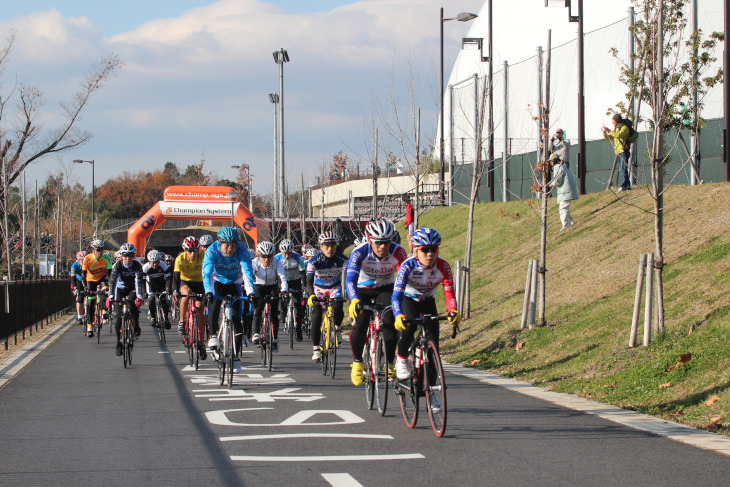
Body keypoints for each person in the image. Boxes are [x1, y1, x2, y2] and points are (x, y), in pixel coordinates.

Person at [391, 228, 460, 380]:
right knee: (407, 326)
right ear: (415, 251)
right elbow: (396, 295)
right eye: (425, 250)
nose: (430, 254)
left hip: (428, 301)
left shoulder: (443, 266)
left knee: (433, 347)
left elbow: (449, 293)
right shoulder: (407, 266)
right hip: (408, 299)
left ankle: (433, 390)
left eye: (433, 249)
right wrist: (398, 315)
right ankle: (402, 359)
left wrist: (453, 310)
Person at [346, 219, 407, 386]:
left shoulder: (398, 252)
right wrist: (354, 299)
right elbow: (350, 279)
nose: (383, 246)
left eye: (387, 242)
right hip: (361, 290)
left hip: (386, 289)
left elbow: (404, 277)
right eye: (378, 242)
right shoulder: (359, 252)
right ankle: (358, 362)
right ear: (369, 240)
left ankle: (389, 362)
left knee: (389, 320)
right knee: (361, 322)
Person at [202, 227, 255, 373]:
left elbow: (247, 272)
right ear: (220, 243)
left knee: (237, 318)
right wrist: (208, 292)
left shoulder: (242, 251)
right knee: (215, 302)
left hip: (234, 283)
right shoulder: (212, 251)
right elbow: (206, 273)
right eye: (226, 245)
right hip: (217, 281)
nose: (230, 249)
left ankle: (236, 357)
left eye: (233, 245)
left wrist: (250, 292)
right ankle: (213, 335)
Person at [306, 231, 348, 362]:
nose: (330, 249)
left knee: (338, 306)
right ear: (320, 247)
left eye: (333, 246)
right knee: (317, 315)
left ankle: (337, 329)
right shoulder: (314, 261)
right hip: (319, 290)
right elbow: (308, 280)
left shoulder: (343, 260)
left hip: (334, 288)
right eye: (326, 246)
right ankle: (316, 349)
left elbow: (347, 279)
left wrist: (347, 293)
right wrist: (311, 294)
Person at [173, 236, 207, 360]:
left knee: (200, 310)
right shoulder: (180, 258)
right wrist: (175, 291)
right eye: (190, 251)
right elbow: (176, 277)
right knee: (186, 295)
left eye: (195, 251)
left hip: (199, 283)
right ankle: (182, 321)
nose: (193, 254)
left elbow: (209, 272)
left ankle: (201, 343)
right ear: (185, 250)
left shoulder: (203, 256)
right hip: (185, 282)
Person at [109, 243, 145, 356]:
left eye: (130, 256)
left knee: (132, 304)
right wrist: (110, 296)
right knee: (119, 315)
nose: (128, 258)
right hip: (120, 289)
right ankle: (118, 342)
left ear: (134, 256)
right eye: (125, 256)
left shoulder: (137, 266)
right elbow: (112, 281)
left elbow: (138, 282)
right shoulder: (117, 265)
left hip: (132, 289)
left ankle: (136, 325)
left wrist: (139, 296)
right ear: (121, 256)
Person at [251, 241, 288, 351]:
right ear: (259, 256)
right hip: (258, 286)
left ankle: (275, 338)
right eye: (264, 257)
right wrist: (250, 292)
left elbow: (282, 277)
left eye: (269, 256)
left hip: (272, 287)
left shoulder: (277, 262)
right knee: (258, 308)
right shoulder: (254, 262)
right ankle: (256, 333)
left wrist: (284, 291)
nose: (267, 259)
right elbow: (249, 277)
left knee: (274, 313)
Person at [274, 239, 306, 342]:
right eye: (284, 253)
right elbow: (274, 273)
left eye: (289, 253)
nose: (287, 255)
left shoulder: (298, 258)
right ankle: (283, 311)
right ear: (281, 252)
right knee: (283, 297)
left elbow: (302, 272)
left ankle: (299, 331)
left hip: (295, 280)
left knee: (298, 306)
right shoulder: (277, 258)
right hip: (283, 281)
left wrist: (304, 286)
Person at [81, 239, 112, 337]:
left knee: (105, 292)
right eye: (97, 250)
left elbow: (110, 273)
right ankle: (90, 326)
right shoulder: (87, 258)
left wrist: (110, 284)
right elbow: (83, 274)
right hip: (91, 280)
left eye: (101, 249)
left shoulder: (107, 258)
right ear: (93, 250)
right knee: (91, 304)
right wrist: (85, 287)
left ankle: (104, 311)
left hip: (102, 278)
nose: (100, 252)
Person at [142, 250, 173, 329]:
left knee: (164, 301)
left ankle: (166, 318)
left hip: (162, 285)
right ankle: (152, 317)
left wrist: (169, 288)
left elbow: (169, 278)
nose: (155, 264)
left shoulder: (164, 265)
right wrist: (144, 291)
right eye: (153, 262)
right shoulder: (145, 267)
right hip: (151, 286)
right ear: (149, 262)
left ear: (159, 261)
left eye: (156, 262)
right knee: (151, 300)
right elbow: (142, 281)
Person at [548, 152, 579, 230]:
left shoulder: (557, 167)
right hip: (566, 189)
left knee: (563, 208)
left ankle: (565, 225)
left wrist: (552, 184)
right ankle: (570, 221)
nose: (550, 162)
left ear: (554, 160)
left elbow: (558, 179)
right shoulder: (562, 166)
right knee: (564, 207)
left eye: (551, 161)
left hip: (566, 190)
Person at [602, 113, 631, 192]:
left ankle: (624, 186)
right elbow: (610, 138)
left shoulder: (624, 128)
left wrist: (609, 130)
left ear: (617, 121)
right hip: (618, 152)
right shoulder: (616, 129)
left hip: (623, 151)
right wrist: (605, 133)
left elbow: (618, 135)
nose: (612, 122)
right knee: (622, 169)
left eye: (613, 121)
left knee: (623, 169)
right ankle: (627, 186)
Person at [70, 251, 86, 326]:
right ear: (78, 260)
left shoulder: (88, 265)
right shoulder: (74, 266)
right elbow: (72, 278)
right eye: (82, 260)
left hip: (86, 280)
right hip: (78, 281)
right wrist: (75, 287)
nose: (84, 262)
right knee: (80, 298)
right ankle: (80, 316)